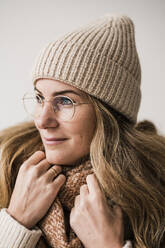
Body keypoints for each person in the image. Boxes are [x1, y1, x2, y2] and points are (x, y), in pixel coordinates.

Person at [0, 14, 164, 248]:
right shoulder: (7, 168)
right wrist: (15, 222)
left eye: (65, 101)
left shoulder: (155, 198)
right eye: (39, 97)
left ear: (108, 115)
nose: (42, 121)